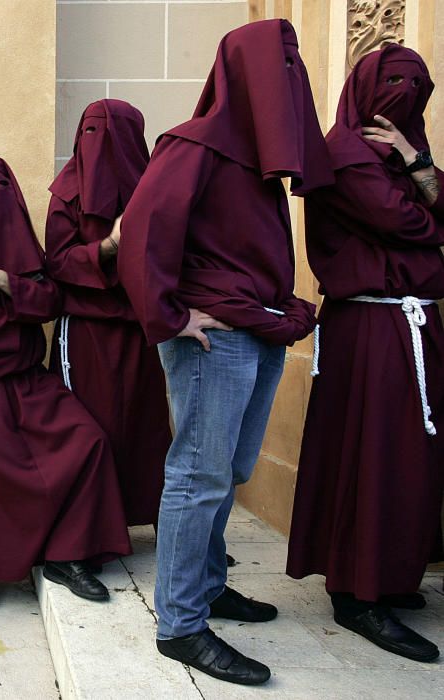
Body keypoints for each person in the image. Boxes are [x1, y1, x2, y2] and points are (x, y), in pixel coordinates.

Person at [119, 19, 333, 686]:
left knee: (232, 467)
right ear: (243, 73)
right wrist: (170, 316)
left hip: (260, 330)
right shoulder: (193, 145)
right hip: (215, 338)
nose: (291, 79)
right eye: (281, 66)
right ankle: (180, 625)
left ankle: (208, 584)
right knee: (199, 472)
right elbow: (142, 234)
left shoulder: (262, 163)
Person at [286, 45, 444, 663]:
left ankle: (392, 574)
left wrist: (417, 161)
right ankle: (357, 592)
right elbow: (405, 222)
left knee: (411, 456)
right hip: (371, 330)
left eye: (419, 89)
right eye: (396, 86)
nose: (407, 98)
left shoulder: (406, 153)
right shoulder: (344, 155)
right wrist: (427, 201)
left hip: (415, 325)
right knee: (375, 453)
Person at [0, 155, 132, 612]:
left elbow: (51, 299)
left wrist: (4, 281)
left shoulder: (23, 249)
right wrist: (17, 321)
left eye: (0, 186)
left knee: (87, 443)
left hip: (25, 376)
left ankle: (67, 555)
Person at [46, 99, 170, 528]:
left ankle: (166, 525)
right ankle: (89, 532)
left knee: (145, 427)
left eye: (109, 134)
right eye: (90, 132)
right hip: (85, 332)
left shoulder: (153, 194)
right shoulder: (66, 194)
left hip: (139, 329)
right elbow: (57, 263)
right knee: (91, 429)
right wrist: (109, 246)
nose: (98, 145)